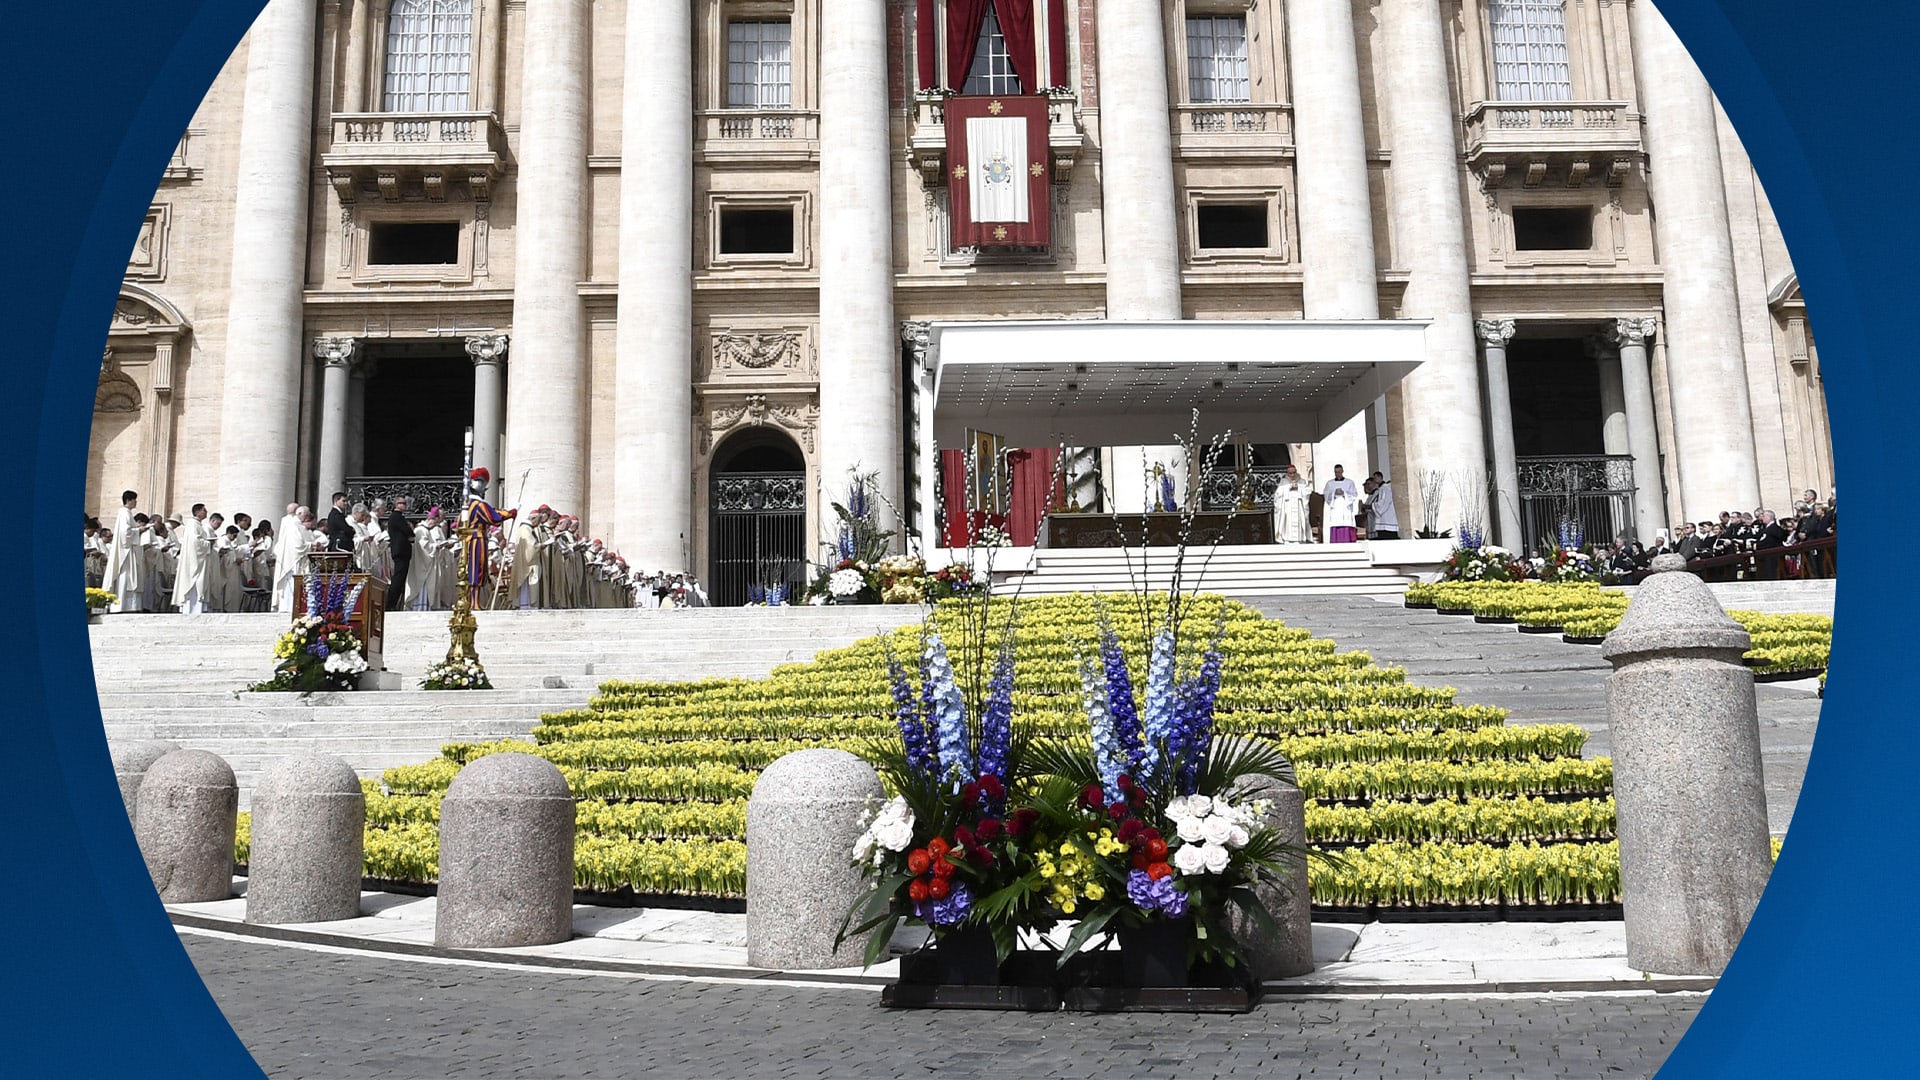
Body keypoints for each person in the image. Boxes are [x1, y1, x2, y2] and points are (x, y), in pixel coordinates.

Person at [460, 468, 516, 609]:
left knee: (472, 569)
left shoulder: (467, 506)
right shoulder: (478, 505)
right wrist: (509, 514)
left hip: (469, 539)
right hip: (477, 539)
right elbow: (493, 517)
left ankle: (471, 601)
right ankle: (474, 602)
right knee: (476, 569)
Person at [102, 490, 144, 613]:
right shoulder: (124, 513)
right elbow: (125, 533)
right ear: (129, 500)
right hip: (125, 551)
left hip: (129, 549)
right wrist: (139, 530)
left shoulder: (127, 513)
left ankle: (130, 605)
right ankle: (121, 605)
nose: (136, 502)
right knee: (126, 576)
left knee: (130, 576)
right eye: (134, 499)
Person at [170, 503, 212, 615]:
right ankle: (193, 610)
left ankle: (197, 609)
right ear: (197, 512)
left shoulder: (197, 525)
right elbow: (195, 543)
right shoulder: (193, 525)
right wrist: (208, 543)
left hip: (198, 560)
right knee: (195, 584)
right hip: (194, 562)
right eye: (204, 510)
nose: (206, 512)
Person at [385, 496, 414, 610]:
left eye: (405, 503)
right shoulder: (396, 517)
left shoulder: (399, 517)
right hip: (400, 552)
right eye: (402, 503)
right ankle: (391, 604)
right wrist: (410, 533)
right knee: (398, 578)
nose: (404, 505)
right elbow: (408, 531)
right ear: (397, 504)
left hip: (403, 552)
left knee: (401, 579)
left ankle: (396, 604)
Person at [1273, 465, 1312, 544]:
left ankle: (1300, 539)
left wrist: (1298, 488)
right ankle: (1287, 539)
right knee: (1288, 522)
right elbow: (1277, 494)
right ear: (1287, 473)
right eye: (1290, 473)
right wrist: (1288, 489)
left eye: (1294, 473)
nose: (1292, 475)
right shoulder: (1283, 482)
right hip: (1288, 506)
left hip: (1299, 506)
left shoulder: (1302, 481)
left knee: (1300, 520)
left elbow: (1308, 492)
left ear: (1296, 472)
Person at [1322, 465, 1360, 544]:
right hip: (1335, 505)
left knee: (1345, 522)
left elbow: (1354, 494)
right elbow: (1326, 495)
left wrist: (1344, 493)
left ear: (1342, 471)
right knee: (1336, 523)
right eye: (1336, 472)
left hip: (1345, 506)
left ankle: (1346, 540)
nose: (1337, 474)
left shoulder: (1349, 482)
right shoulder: (1330, 483)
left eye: (1339, 472)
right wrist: (1334, 493)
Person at [1366, 471, 1400, 540]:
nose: (1375, 480)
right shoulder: (1380, 489)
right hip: (1382, 518)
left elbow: (1384, 502)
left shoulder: (1386, 488)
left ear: (1380, 477)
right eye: (1374, 478)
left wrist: (1372, 506)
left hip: (1387, 517)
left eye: (1376, 478)